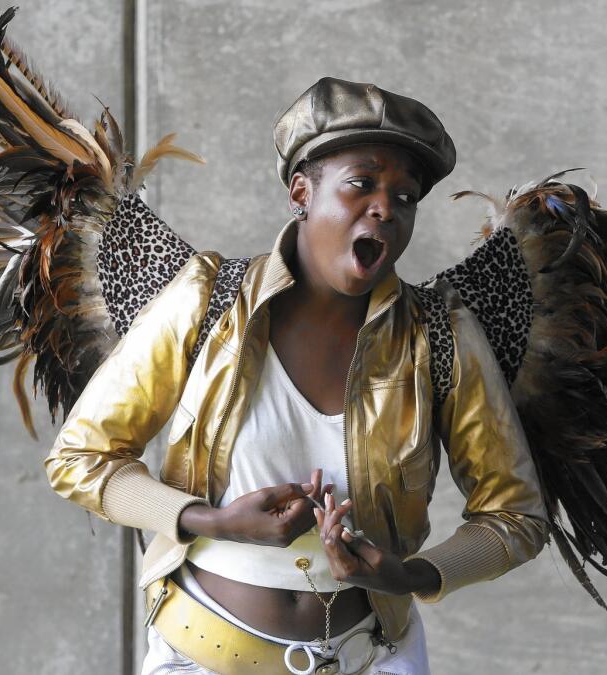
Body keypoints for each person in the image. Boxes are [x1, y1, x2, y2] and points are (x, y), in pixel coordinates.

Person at [45, 77, 549, 674]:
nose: (385, 209)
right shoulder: (207, 302)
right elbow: (80, 458)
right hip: (202, 657)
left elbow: (517, 516)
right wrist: (213, 521)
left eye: (405, 197)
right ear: (301, 192)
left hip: (373, 658)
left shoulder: (440, 336)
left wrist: (407, 572)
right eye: (361, 184)